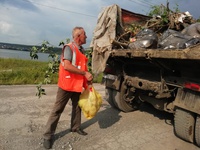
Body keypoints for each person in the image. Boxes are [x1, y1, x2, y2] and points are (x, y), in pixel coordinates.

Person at [43, 26, 93, 149]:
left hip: (76, 85)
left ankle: (75, 127)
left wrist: (88, 82)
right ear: (78, 36)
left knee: (77, 107)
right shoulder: (69, 48)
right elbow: (67, 66)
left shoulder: (81, 49)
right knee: (57, 110)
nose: (86, 36)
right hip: (66, 85)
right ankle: (48, 136)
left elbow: (83, 68)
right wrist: (84, 74)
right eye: (84, 34)